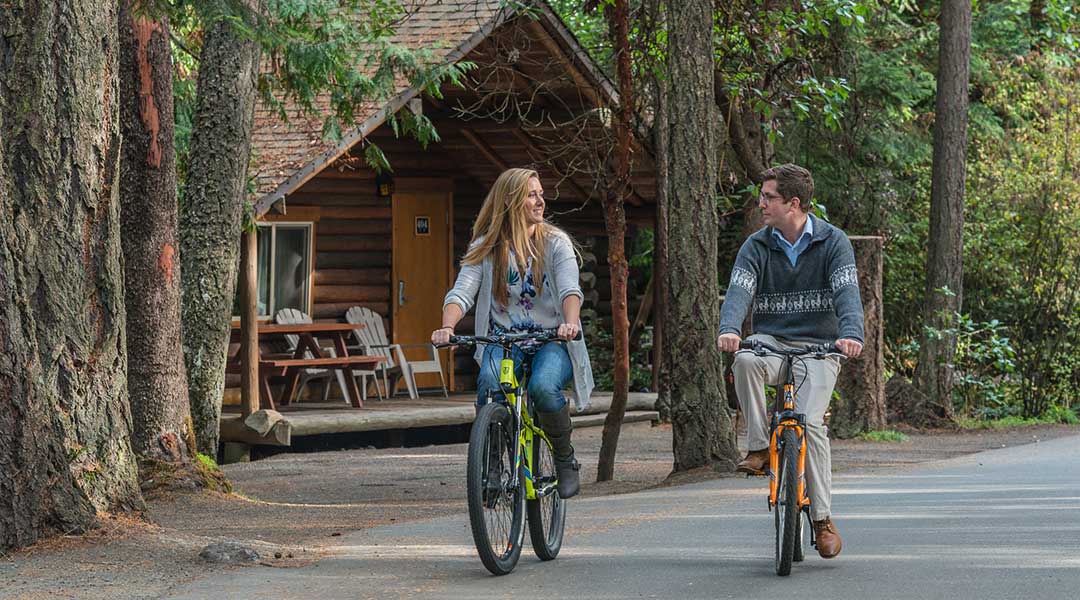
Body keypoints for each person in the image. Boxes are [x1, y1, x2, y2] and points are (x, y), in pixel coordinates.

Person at [716, 164, 864, 559]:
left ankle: (821, 519)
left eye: (769, 197)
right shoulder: (757, 246)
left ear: (793, 203)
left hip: (819, 348)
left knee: (810, 424)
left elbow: (848, 292)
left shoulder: (834, 243)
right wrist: (730, 327)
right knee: (744, 359)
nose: (761, 203)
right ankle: (759, 447)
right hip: (771, 343)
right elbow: (738, 292)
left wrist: (851, 335)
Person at [432, 167, 594, 498]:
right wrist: (447, 326)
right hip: (503, 340)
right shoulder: (487, 246)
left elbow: (569, 290)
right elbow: (462, 291)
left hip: (552, 340)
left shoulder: (555, 244)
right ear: (511, 202)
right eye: (531, 195)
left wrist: (570, 323)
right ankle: (490, 468)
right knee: (490, 386)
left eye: (541, 195)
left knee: (544, 387)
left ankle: (565, 459)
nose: (540, 201)